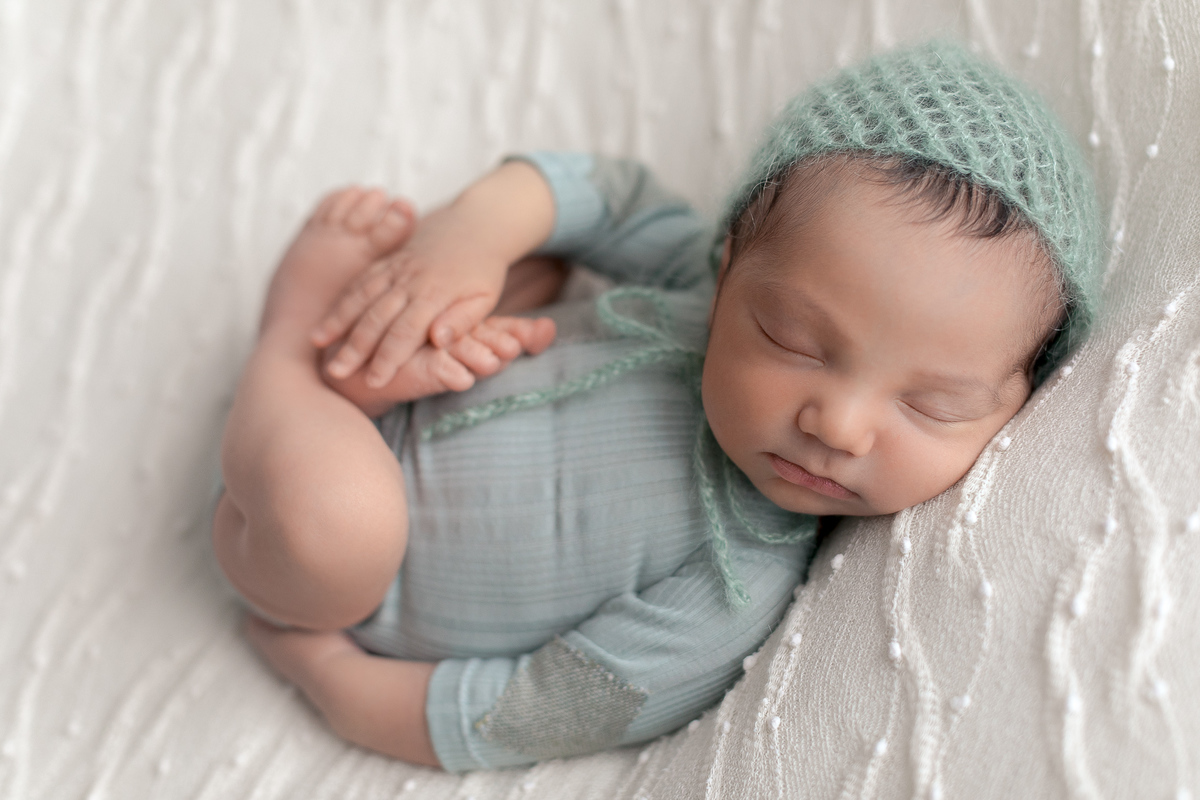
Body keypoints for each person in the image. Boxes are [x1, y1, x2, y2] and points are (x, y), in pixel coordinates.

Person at [212, 41, 1102, 771]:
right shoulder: (685, 290)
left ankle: (294, 340)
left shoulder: (730, 584)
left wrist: (330, 676)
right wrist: (473, 238)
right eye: (792, 339)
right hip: (390, 402)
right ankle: (355, 354)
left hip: (318, 564)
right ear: (726, 270)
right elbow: (607, 194)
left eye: (933, 405)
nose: (838, 425)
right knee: (517, 275)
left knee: (340, 526)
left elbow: (539, 708)